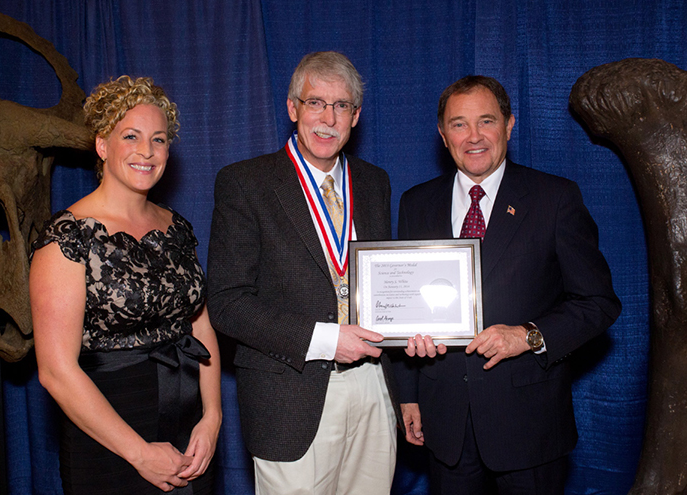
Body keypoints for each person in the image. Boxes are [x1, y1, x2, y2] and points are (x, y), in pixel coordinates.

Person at [394, 76, 621, 494]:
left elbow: (598, 303)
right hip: (445, 424)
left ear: (510, 125)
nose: (474, 136)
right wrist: (407, 395)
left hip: (529, 426)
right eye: (459, 124)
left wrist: (529, 336)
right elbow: (408, 308)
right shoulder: (416, 202)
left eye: (486, 121)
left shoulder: (555, 198)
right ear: (443, 135)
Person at [207, 51, 399, 494]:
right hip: (289, 396)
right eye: (316, 103)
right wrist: (329, 340)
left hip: (373, 387)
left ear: (357, 115)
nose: (328, 118)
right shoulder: (245, 183)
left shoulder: (374, 182)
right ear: (293, 108)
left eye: (342, 105)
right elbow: (228, 304)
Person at [30, 76, 221, 494]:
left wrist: (212, 418)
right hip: (108, 437)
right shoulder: (68, 236)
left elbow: (200, 328)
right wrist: (139, 453)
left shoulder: (176, 227)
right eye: (131, 136)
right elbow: (55, 371)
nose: (147, 151)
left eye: (158, 139)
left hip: (189, 430)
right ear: (102, 145)